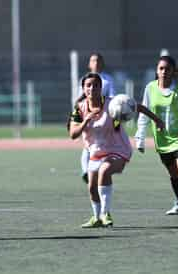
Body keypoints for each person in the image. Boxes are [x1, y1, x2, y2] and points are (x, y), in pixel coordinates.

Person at [68, 73, 164, 228]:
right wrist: (86, 120)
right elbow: (73, 134)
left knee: (104, 171)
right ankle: (96, 217)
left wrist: (157, 119)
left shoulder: (113, 104)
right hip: (95, 152)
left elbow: (136, 106)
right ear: (83, 89)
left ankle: (105, 214)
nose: (92, 88)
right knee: (92, 187)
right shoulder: (80, 109)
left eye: (96, 85)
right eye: (88, 85)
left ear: (101, 88)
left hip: (118, 149)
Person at [134, 55, 178, 216]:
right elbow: (144, 112)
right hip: (162, 139)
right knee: (173, 173)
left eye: (167, 69)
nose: (164, 72)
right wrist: (140, 137)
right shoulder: (150, 88)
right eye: (161, 68)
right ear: (157, 71)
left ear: (173, 71)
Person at [80, 53, 116, 184]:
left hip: (104, 115)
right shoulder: (85, 79)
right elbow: (80, 98)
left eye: (98, 60)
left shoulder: (107, 80)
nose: (96, 63)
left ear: (102, 63)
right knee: (87, 145)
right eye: (93, 60)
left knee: (101, 144)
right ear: (89, 64)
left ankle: (101, 169)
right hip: (88, 114)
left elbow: (113, 98)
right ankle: (85, 172)